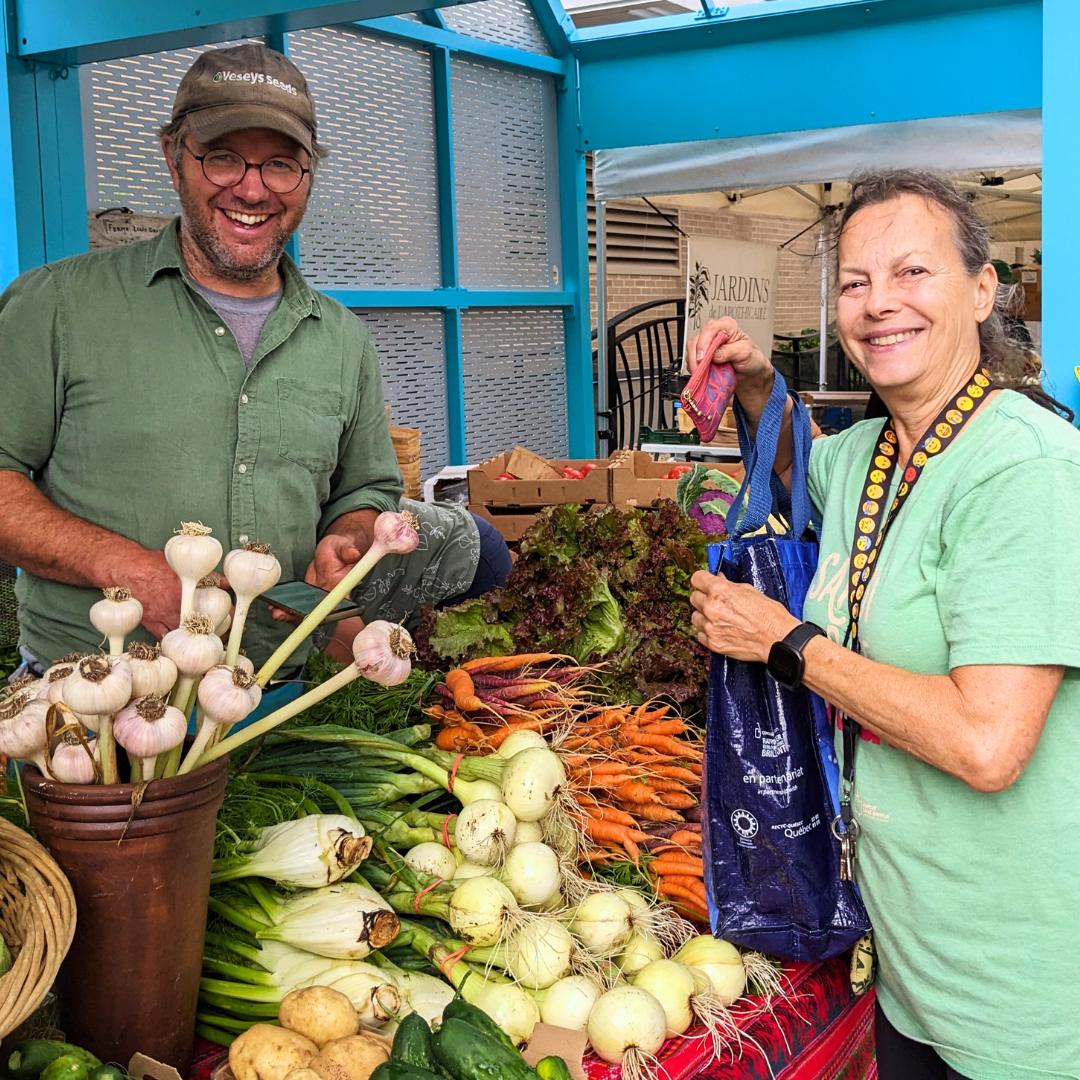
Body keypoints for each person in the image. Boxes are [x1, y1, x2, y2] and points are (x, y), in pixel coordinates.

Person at [686, 171, 1080, 1080]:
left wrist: (786, 643)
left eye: (912, 273)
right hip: (912, 971)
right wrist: (755, 381)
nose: (878, 305)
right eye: (855, 282)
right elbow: (805, 463)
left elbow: (988, 743)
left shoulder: (1026, 470)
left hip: (1025, 991)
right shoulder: (868, 452)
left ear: (984, 292)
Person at [0, 43, 510, 682]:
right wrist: (123, 567)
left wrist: (347, 541)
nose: (252, 188)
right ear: (174, 157)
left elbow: (363, 490)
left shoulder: (342, 339)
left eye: (280, 165)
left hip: (278, 693)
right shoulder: (56, 306)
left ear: (307, 177)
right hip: (93, 706)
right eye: (223, 158)